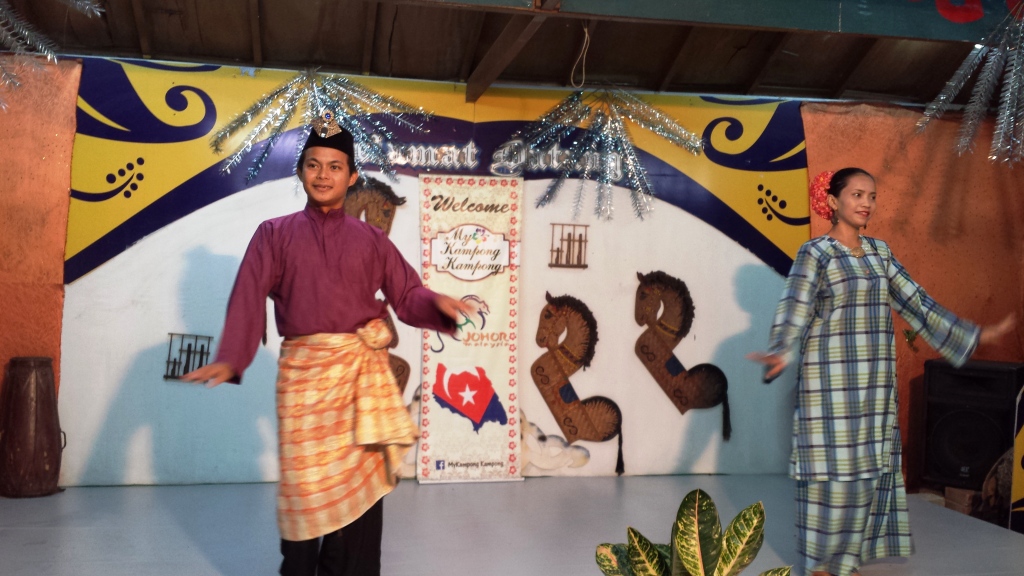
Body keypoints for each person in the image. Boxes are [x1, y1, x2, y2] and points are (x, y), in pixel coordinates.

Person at [184, 112, 472, 576]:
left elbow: (406, 294)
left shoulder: (372, 240)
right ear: (301, 171)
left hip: (359, 383)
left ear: (352, 176)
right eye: (314, 165)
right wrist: (232, 358)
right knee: (303, 498)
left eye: (335, 167)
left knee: (360, 508)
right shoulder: (274, 234)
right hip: (303, 381)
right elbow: (248, 293)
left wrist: (436, 302)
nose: (323, 175)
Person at [748, 167, 1014, 576]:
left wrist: (973, 334)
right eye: (857, 194)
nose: (866, 203)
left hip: (873, 386)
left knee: (864, 476)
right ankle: (820, 565)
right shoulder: (816, 253)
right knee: (829, 476)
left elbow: (917, 302)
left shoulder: (879, 253)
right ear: (833, 201)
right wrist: (781, 350)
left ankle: (845, 560)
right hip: (829, 384)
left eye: (871, 196)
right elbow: (796, 306)